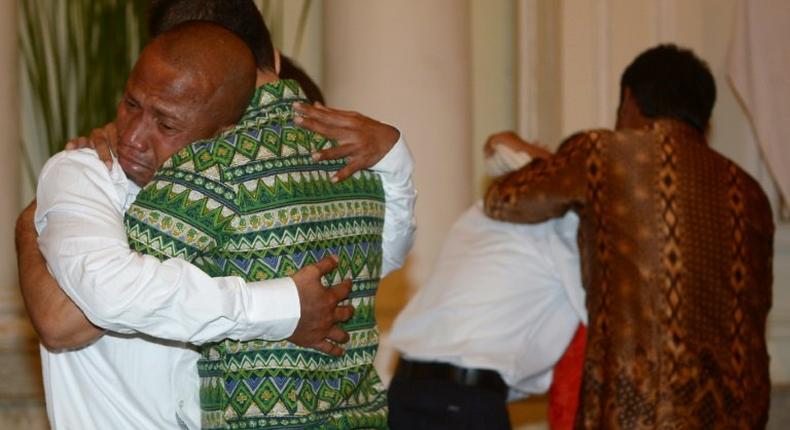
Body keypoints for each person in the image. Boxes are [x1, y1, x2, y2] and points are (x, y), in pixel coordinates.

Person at [17, 3, 415, 429]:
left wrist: (393, 157)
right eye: (132, 104)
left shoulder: (227, 172)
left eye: (167, 122)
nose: (134, 135)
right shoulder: (98, 173)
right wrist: (281, 307)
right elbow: (67, 320)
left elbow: (371, 264)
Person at [485, 44, 773, 429]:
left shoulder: (604, 153)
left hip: (639, 415)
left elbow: (504, 200)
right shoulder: (752, 194)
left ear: (629, 100)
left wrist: (526, 150)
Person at [386, 135, 586, 430]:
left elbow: (501, 145)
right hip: (462, 400)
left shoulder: (485, 210)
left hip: (408, 391)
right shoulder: (565, 226)